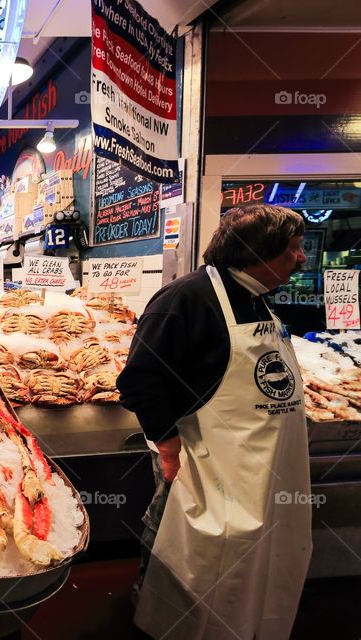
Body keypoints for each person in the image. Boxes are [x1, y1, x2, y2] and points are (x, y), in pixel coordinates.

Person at [117, 204, 310, 639]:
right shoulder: (186, 299)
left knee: (253, 555)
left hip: (260, 463)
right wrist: (167, 449)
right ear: (257, 253)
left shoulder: (257, 296)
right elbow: (140, 382)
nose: (301, 258)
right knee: (182, 546)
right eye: (293, 249)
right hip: (201, 461)